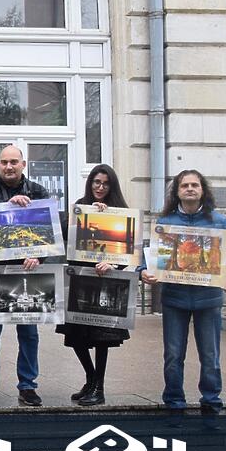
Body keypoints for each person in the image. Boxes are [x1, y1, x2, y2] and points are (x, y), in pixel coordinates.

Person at [140, 170, 226, 427]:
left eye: (195, 185)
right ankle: (174, 403)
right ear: (177, 191)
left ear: (203, 190)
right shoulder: (164, 223)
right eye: (185, 185)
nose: (190, 189)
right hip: (175, 300)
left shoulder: (219, 222)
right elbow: (146, 258)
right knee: (173, 355)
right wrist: (143, 271)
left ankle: (211, 401)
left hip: (209, 300)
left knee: (210, 356)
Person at [0, 145, 50, 407]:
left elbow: (51, 231)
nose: (9, 166)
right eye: (4, 162)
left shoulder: (37, 191)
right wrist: (6, 206)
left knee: (28, 332)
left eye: (14, 161)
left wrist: (39, 257)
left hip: (27, 270)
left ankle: (28, 386)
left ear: (23, 164)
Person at [54, 165, 132, 407]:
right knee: (76, 336)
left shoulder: (121, 212)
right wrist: (90, 215)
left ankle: (99, 387)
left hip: (105, 282)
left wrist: (112, 264)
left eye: (105, 184)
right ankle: (90, 378)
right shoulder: (81, 205)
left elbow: (128, 250)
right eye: (96, 182)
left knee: (100, 338)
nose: (100, 187)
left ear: (112, 186)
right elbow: (66, 235)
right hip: (79, 278)